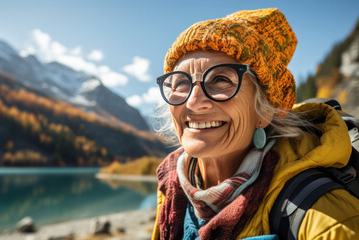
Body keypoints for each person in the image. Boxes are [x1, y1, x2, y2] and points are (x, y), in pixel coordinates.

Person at [151, 8, 359, 240]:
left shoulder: (326, 220)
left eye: (220, 80)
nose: (194, 101)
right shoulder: (172, 188)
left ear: (264, 109)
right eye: (180, 83)